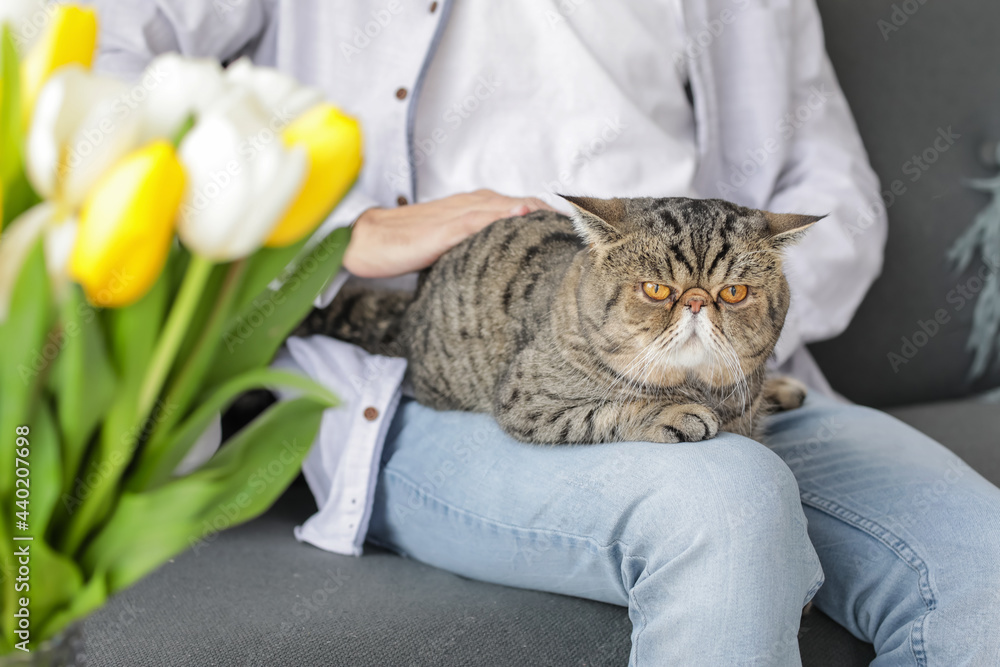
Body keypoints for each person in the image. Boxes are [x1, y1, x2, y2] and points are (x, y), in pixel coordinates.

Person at [90, 1, 1000, 664]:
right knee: (723, 501)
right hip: (448, 385)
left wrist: (724, 331)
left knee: (983, 575)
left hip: (732, 370)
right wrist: (332, 234)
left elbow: (831, 191)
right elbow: (88, 62)